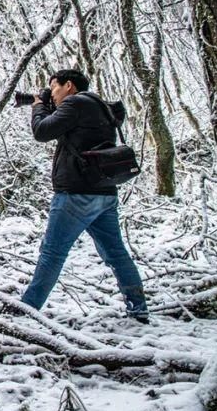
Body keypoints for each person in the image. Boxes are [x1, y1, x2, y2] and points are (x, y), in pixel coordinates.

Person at [20, 69, 148, 322]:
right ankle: (138, 308)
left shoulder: (76, 103)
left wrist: (37, 106)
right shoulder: (99, 106)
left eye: (54, 88)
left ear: (69, 86)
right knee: (116, 254)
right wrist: (47, 103)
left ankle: (26, 310)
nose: (53, 95)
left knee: (52, 253)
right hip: (103, 194)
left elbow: (42, 131)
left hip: (76, 196)